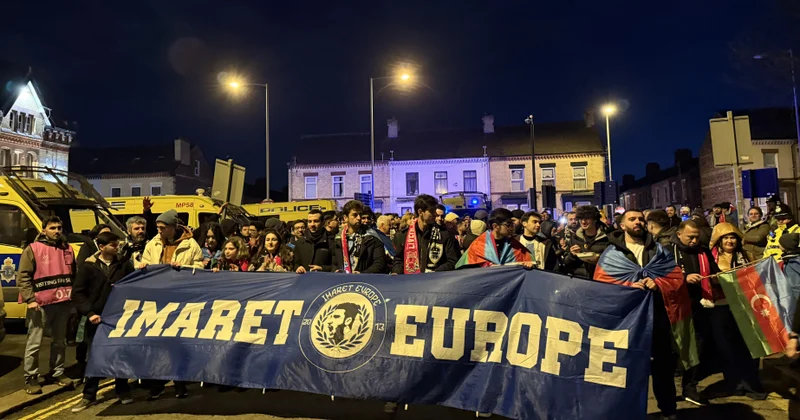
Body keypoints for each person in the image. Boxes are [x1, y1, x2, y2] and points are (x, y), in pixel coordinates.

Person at [596, 210, 679, 419]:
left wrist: (658, 283)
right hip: (628, 320)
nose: (638, 222)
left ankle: (669, 410)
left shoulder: (658, 250)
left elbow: (675, 276)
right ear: (622, 225)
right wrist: (629, 285)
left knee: (662, 366)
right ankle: (628, 411)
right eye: (632, 219)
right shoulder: (612, 253)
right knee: (627, 367)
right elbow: (602, 283)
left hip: (657, 317)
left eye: (641, 219)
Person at [70, 232, 134, 412]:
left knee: (119, 354)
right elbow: (78, 293)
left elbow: (134, 283)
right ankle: (88, 395)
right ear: (101, 247)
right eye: (113, 245)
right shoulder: (88, 267)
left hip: (118, 316)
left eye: (117, 244)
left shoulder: (123, 264)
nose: (117, 247)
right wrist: (89, 313)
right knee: (96, 356)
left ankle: (123, 391)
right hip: (97, 318)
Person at [17, 216, 76, 394]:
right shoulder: (33, 249)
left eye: (59, 227)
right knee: (34, 343)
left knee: (59, 341)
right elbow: (23, 276)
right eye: (52, 228)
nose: (56, 231)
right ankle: (31, 377)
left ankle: (57, 373)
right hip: (40, 303)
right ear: (43, 230)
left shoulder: (68, 249)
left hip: (63, 301)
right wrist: (30, 299)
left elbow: (73, 274)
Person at [708, 222, 766, 399]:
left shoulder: (745, 255)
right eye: (725, 237)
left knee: (748, 346)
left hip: (744, 306)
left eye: (732, 237)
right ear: (718, 240)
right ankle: (734, 383)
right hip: (721, 307)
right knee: (726, 347)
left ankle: (751, 384)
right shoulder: (711, 258)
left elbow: (756, 276)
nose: (729, 241)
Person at [670, 220, 718, 406]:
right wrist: (684, 278)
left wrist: (715, 277)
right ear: (680, 234)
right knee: (674, 349)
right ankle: (667, 394)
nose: (694, 240)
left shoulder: (703, 251)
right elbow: (660, 275)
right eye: (690, 237)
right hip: (676, 306)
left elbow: (715, 270)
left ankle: (690, 387)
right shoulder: (667, 251)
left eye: (697, 237)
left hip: (700, 305)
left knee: (697, 347)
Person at [392, 194, 460, 274]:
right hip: (410, 282)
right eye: (431, 211)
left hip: (436, 281)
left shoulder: (444, 234)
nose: (435, 214)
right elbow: (399, 260)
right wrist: (396, 272)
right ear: (420, 212)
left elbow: (452, 261)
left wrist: (434, 272)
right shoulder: (403, 235)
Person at [456, 208, 533, 269]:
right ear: (495, 226)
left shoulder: (515, 246)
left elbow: (530, 260)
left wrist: (529, 265)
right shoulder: (478, 245)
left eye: (512, 224)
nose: (512, 228)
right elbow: (464, 269)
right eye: (508, 225)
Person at [334, 200, 388, 274]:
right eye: (355, 215)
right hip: (342, 280)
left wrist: (362, 274)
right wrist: (335, 270)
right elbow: (334, 262)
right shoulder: (338, 238)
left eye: (360, 214)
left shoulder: (372, 237)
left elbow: (379, 263)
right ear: (345, 218)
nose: (359, 218)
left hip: (365, 280)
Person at [139, 209, 205, 270]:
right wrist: (145, 265)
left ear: (172, 227)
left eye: (162, 228)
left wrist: (182, 267)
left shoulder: (190, 244)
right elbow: (145, 261)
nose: (159, 231)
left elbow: (199, 266)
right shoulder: (153, 244)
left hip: (180, 281)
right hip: (158, 281)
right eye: (158, 228)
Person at [562, 206, 609, 279]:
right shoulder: (575, 238)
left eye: (587, 218)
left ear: (595, 219)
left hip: (600, 280)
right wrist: (572, 255)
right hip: (580, 281)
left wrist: (600, 260)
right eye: (581, 218)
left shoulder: (606, 238)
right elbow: (566, 263)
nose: (583, 222)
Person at [294, 209, 336, 273]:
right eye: (310, 221)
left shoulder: (332, 241)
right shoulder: (300, 242)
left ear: (322, 222)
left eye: (316, 221)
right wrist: (298, 267)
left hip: (325, 279)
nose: (312, 224)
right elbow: (295, 263)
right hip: (305, 280)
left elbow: (336, 266)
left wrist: (322, 268)